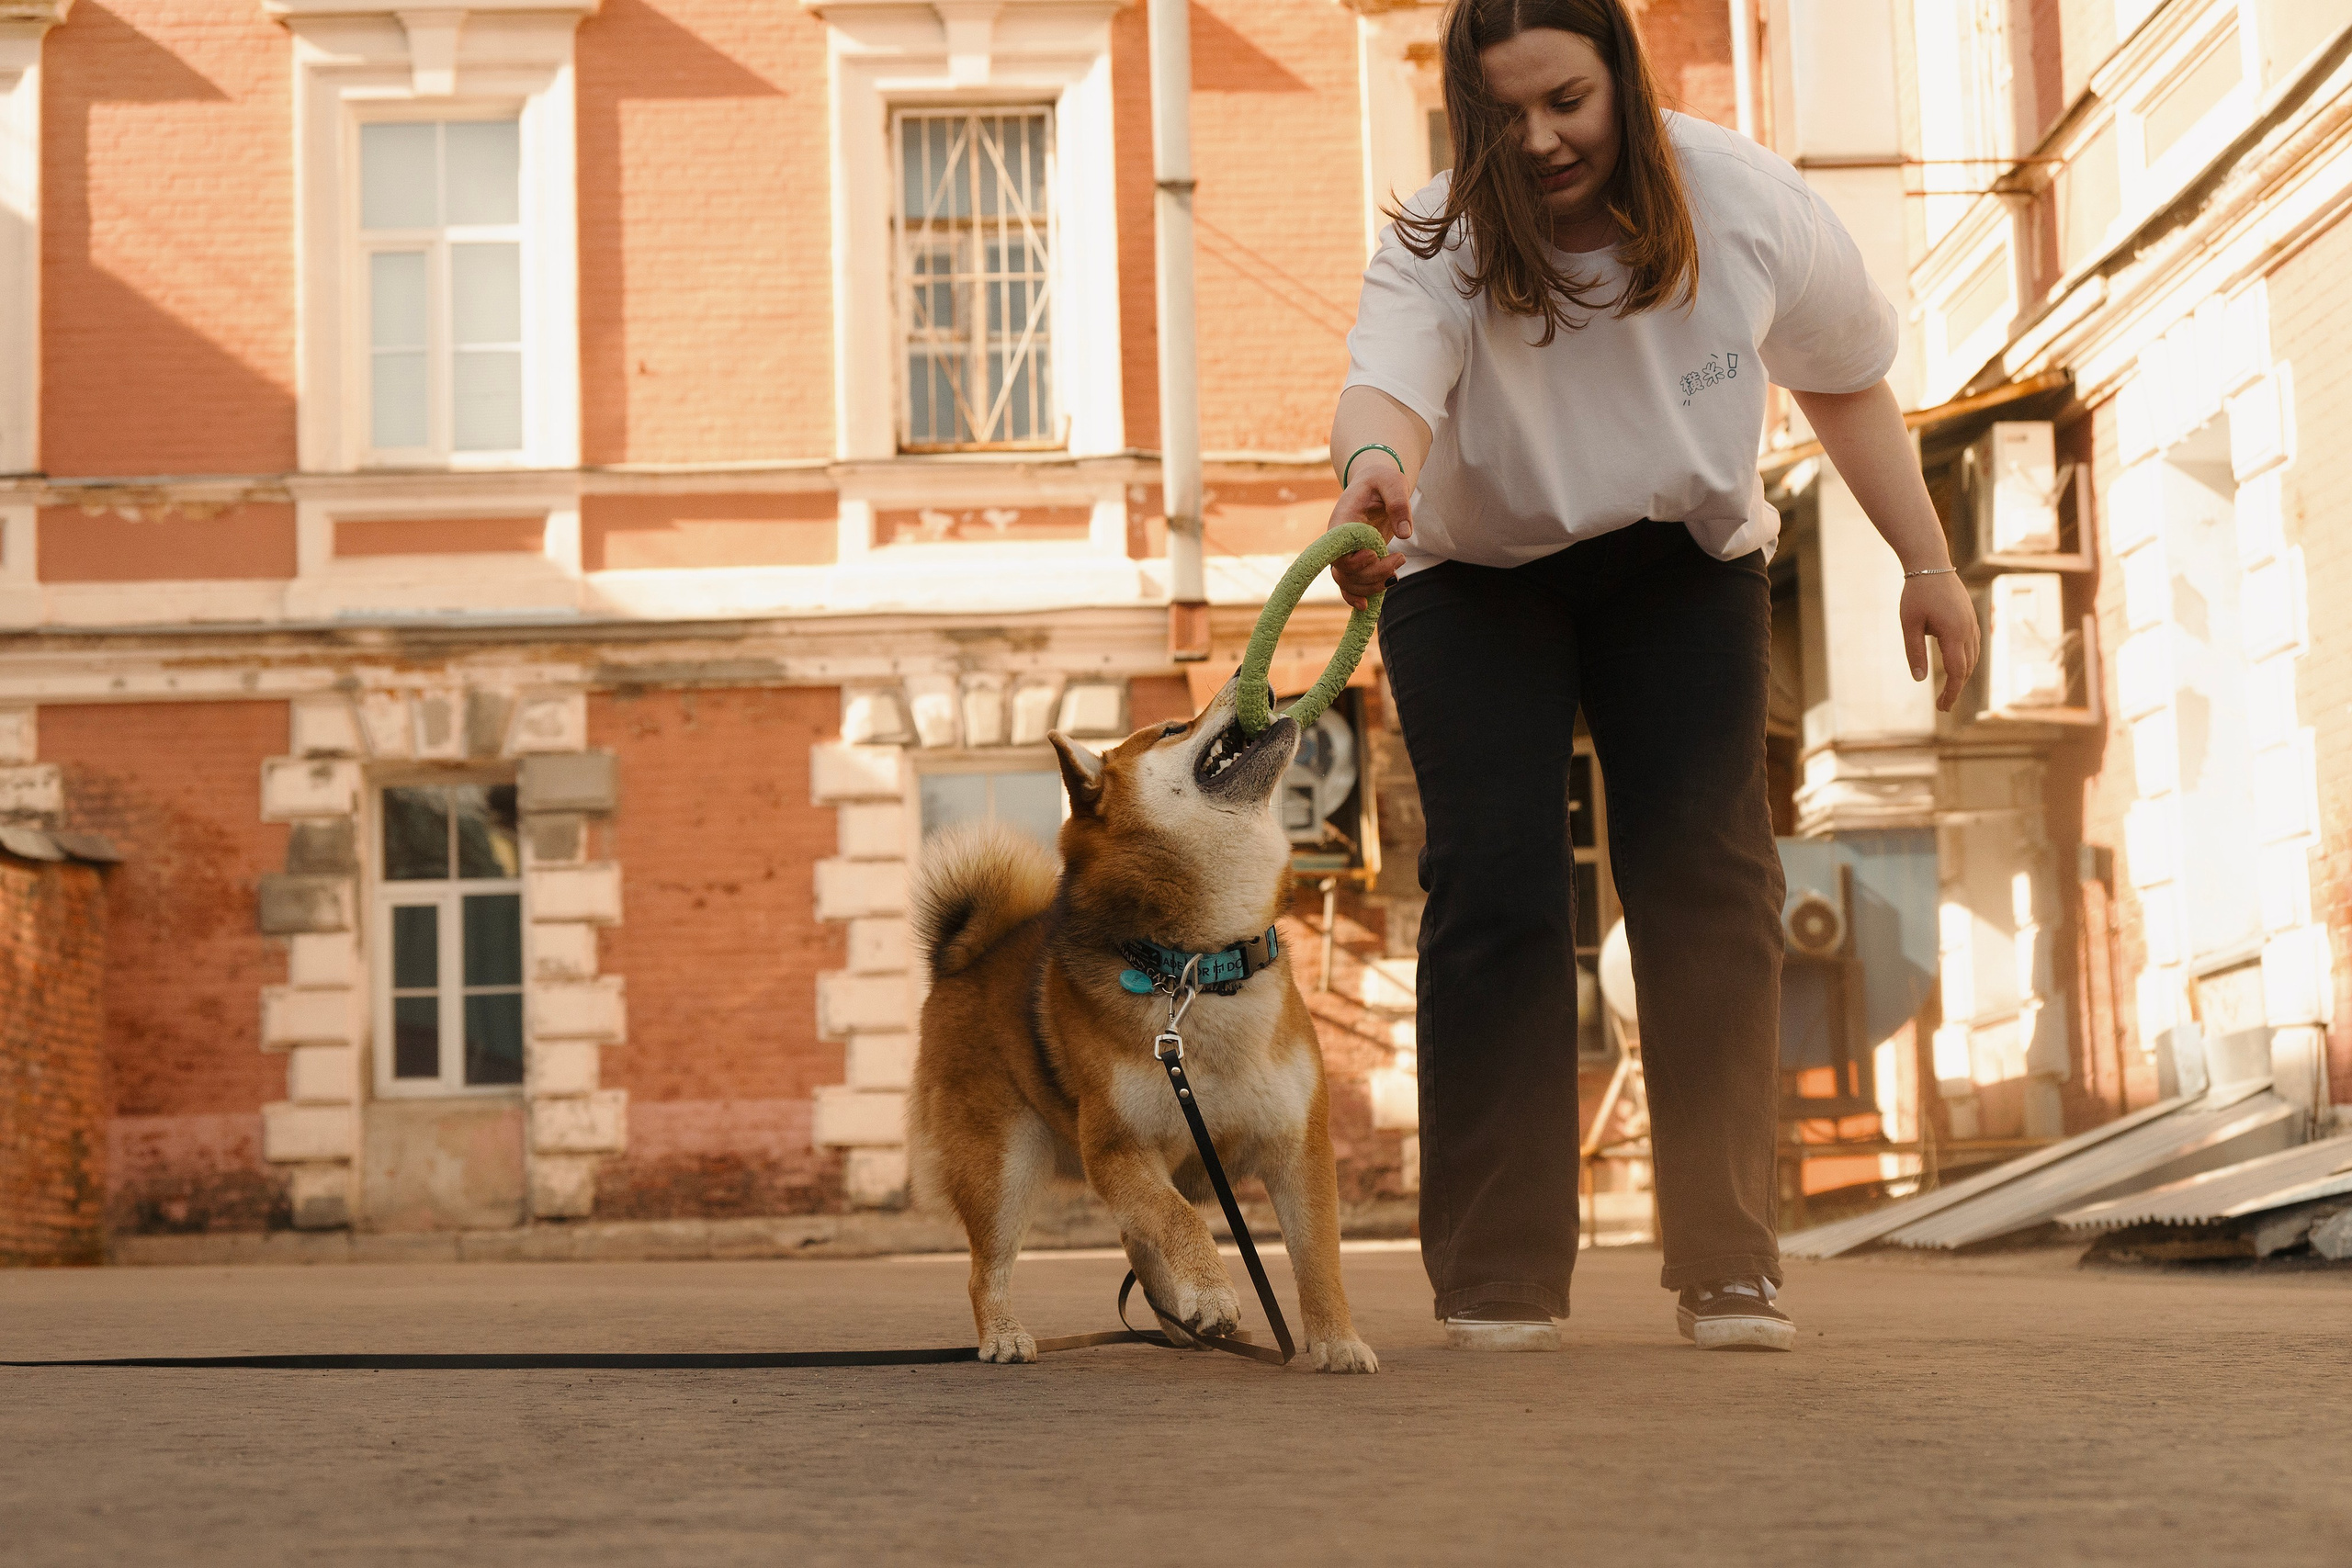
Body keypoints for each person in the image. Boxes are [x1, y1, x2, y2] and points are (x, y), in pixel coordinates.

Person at [1326, 0, 1978, 1352]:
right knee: (1496, 886)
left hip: (1678, 558)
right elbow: (1387, 388)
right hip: (1474, 575)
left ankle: (1729, 1262)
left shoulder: (1744, 199)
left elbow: (1846, 381)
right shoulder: (1441, 236)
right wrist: (1374, 471)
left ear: (1622, 76)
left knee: (1708, 876)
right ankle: (1500, 1273)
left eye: (1565, 100)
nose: (1539, 140)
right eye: (1504, 113)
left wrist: (1928, 563)